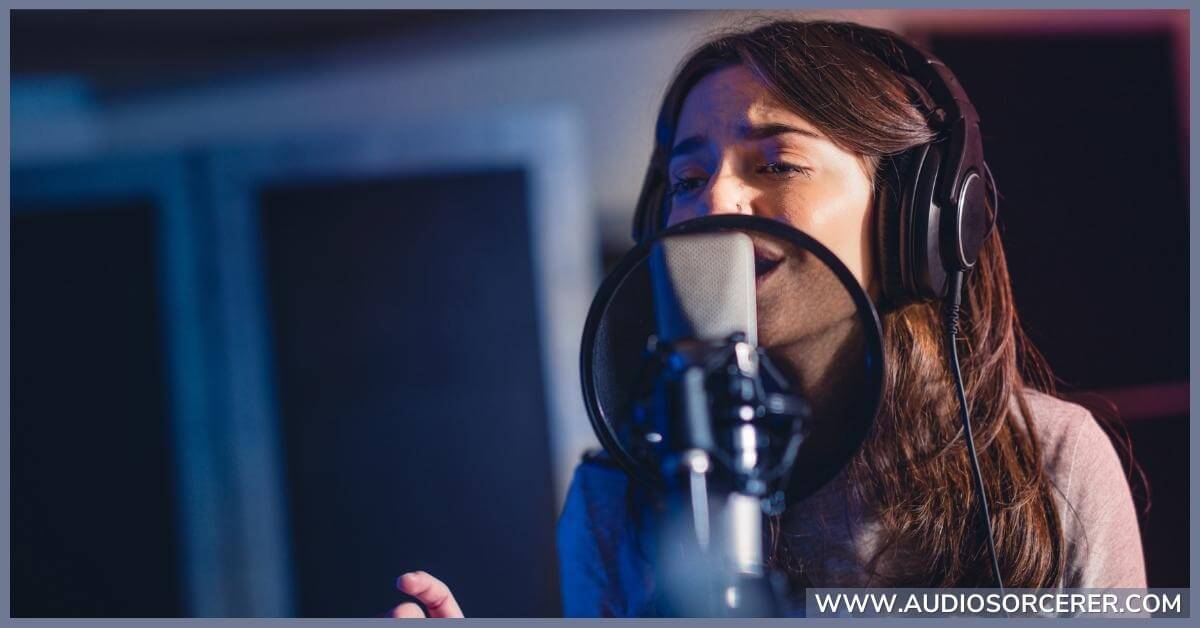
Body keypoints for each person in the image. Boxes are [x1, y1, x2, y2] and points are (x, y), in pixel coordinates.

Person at [384, 19, 1147, 618]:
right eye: (687, 177)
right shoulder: (615, 500)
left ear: (913, 219)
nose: (713, 204)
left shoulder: (1047, 462)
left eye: (775, 164)